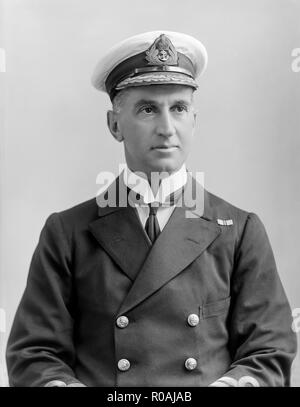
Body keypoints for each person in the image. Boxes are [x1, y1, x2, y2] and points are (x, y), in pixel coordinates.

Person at [6, 30, 297, 387]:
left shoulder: (239, 230)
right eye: (147, 109)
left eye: (179, 109)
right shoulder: (67, 233)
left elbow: (269, 349)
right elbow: (35, 352)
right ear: (115, 125)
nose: (167, 128)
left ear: (195, 121)